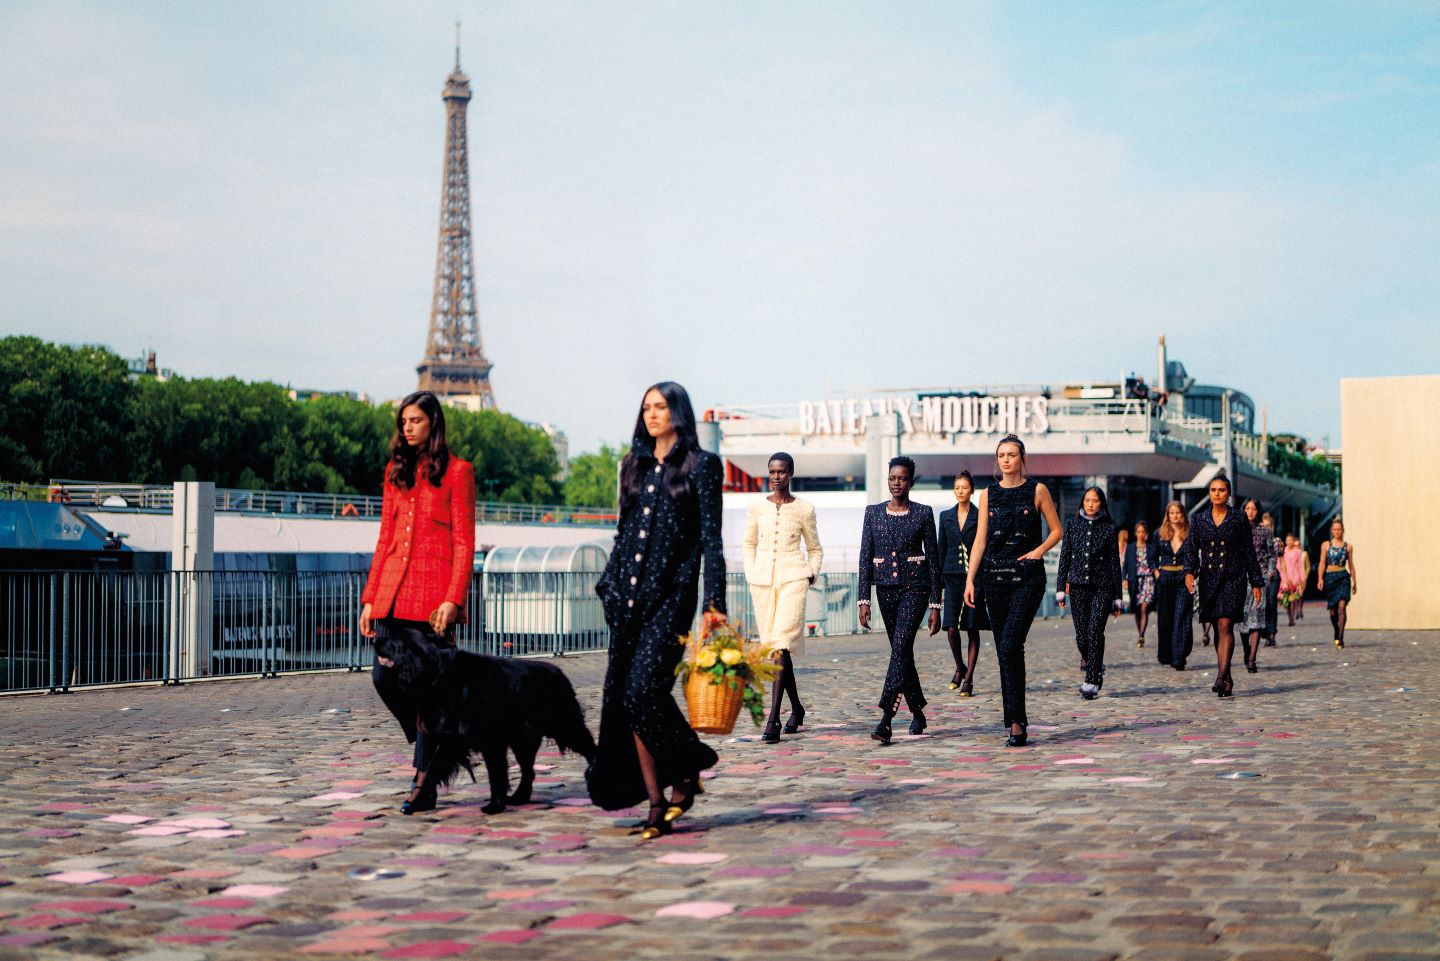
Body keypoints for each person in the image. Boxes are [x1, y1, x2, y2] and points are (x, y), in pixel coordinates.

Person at [587, 382, 728, 839]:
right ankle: (655, 801)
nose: (652, 414)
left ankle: (690, 765)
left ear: (677, 413)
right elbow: (622, 533)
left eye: (661, 407)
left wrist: (714, 605)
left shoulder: (703, 466)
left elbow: (712, 540)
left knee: (643, 692)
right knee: (628, 703)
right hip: (626, 603)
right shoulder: (633, 466)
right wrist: (606, 586)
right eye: (646, 407)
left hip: (671, 601)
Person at [359, 391, 476, 814]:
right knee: (383, 679)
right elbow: (384, 539)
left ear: (433, 423)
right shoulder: (396, 471)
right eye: (403, 421)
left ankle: (424, 781)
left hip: (432, 603)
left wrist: (453, 599)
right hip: (391, 596)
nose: (407, 428)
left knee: (429, 695)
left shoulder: (459, 472)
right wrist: (370, 598)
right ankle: (438, 745)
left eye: (415, 421)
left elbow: (464, 542)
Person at [965, 435, 1063, 746]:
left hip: (1027, 580)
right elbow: (980, 541)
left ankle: (1017, 723)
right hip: (995, 580)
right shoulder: (987, 495)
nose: (1006, 460)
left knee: (1009, 644)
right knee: (1008, 651)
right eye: (1001, 455)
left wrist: (1039, 551)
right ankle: (1015, 721)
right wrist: (971, 579)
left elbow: (1058, 529)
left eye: (1012, 454)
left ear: (1022, 458)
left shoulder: (1038, 490)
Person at [858, 456, 942, 745]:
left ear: (911, 482)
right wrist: (863, 599)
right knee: (901, 652)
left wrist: (935, 604)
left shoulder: (923, 513)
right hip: (885, 590)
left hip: (916, 589)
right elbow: (864, 557)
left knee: (900, 648)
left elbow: (934, 560)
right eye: (893, 478)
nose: (897, 483)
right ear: (888, 480)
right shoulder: (873, 513)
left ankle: (886, 719)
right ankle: (918, 711)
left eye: (903, 478)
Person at [741, 452, 823, 743]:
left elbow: (815, 548)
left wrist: (810, 573)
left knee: (782, 644)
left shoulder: (804, 509)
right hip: (762, 582)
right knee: (777, 649)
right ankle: (797, 709)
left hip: (793, 579)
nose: (777, 476)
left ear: (791, 474)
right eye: (773, 472)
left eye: (782, 472)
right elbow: (748, 543)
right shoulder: (756, 507)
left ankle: (773, 718)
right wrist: (751, 571)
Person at [1187, 475, 1264, 698]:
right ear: (1209, 493)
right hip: (1210, 579)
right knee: (1218, 626)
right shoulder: (1199, 519)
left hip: (1233, 577)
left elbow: (1249, 551)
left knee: (1225, 624)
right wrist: (1189, 572)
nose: (1217, 493)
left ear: (1228, 493)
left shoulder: (1239, 519)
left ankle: (1220, 676)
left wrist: (1256, 582)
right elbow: (1192, 548)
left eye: (1221, 490)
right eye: (1213, 489)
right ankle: (1227, 675)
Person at [1056, 486, 1122, 699]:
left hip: (1102, 587)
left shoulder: (1110, 528)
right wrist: (1060, 588)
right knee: (1082, 636)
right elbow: (1064, 558)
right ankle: (1095, 663)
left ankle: (1091, 680)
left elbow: (1115, 564)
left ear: (1101, 504)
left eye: (1095, 501)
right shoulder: (1072, 525)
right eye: (1087, 500)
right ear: (1082, 503)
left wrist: (1118, 596)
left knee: (1095, 631)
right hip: (1077, 587)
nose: (1091, 504)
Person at [937, 471, 988, 696]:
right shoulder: (945, 516)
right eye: (957, 487)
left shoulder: (980, 516)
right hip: (951, 576)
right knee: (950, 628)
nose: (960, 491)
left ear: (972, 490)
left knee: (972, 628)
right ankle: (960, 666)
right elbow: (941, 549)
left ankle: (969, 678)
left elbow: (985, 547)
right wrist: (937, 586)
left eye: (964, 488)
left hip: (975, 578)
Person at [1154, 500, 1196, 671]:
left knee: (1182, 617)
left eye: (1178, 512)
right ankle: (1167, 655)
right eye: (1172, 513)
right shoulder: (1159, 533)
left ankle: (1179, 656)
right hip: (1165, 578)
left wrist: (1192, 573)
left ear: (1183, 514)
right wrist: (1156, 571)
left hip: (1183, 578)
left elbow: (1194, 557)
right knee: (1166, 618)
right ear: (1167, 515)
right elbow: (1152, 556)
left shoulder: (1190, 533)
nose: (1175, 516)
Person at [1237, 498, 1277, 673]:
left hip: (1259, 579)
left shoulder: (1266, 532)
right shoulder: (1236, 530)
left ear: (1258, 511)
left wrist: (1269, 573)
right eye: (1247, 508)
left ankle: (1252, 658)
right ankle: (1247, 651)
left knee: (1257, 618)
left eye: (1253, 509)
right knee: (1244, 620)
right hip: (1240, 579)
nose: (1250, 512)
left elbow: (1271, 555)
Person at [1318, 517, 1357, 649]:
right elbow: (1322, 563)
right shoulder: (1326, 545)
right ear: (1332, 531)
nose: (1337, 531)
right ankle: (1336, 629)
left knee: (1342, 606)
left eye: (1339, 529)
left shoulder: (1348, 547)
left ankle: (1341, 637)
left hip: (1343, 577)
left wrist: (1354, 581)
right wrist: (1320, 579)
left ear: (1343, 531)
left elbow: (1351, 565)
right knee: (1333, 612)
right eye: (1335, 529)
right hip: (1330, 577)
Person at [1123, 520, 1159, 648]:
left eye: (1143, 531)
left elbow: (1155, 561)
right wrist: (1124, 579)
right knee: (1137, 609)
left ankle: (1141, 635)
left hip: (1148, 580)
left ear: (1146, 533)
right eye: (1139, 532)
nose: (1141, 534)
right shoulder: (1131, 547)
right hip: (1135, 581)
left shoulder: (1151, 547)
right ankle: (1140, 633)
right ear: (1135, 533)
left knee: (1144, 607)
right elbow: (1125, 565)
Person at [1261, 513, 1282, 646]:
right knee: (1263, 605)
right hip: (1260, 575)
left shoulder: (1277, 541)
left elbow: (1282, 560)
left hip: (1274, 576)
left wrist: (1288, 578)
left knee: (1271, 602)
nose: (1267, 529)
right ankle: (1265, 631)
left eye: (1269, 526)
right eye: (1264, 526)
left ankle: (1272, 633)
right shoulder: (1257, 540)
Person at [1279, 533, 1306, 626]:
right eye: (1287, 540)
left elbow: (1300, 566)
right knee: (1286, 598)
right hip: (1285, 576)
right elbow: (1279, 564)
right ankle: (1289, 616)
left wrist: (1302, 578)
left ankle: (1292, 618)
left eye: (1291, 540)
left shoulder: (1297, 552)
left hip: (1295, 576)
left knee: (1293, 598)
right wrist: (1283, 576)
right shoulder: (1283, 551)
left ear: (1293, 541)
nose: (1289, 542)